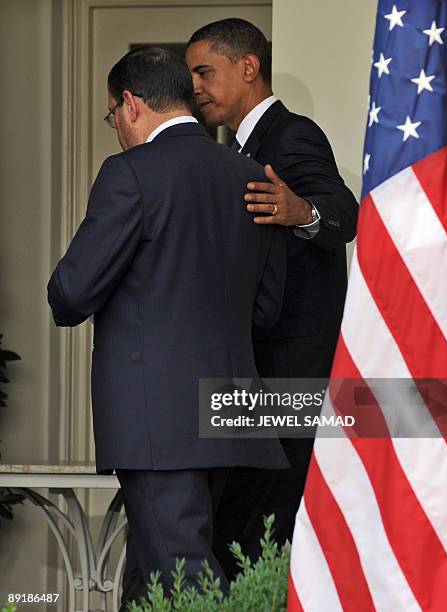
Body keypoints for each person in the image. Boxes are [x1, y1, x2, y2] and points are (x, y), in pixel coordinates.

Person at [47, 46, 289, 610]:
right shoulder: (251, 175)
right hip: (233, 411)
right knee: (153, 579)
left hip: (160, 417)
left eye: (113, 117)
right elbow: (267, 307)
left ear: (130, 104)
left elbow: (71, 292)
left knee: (185, 574)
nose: (116, 130)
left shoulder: (130, 173)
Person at [186, 18, 359, 577]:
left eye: (204, 72)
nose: (196, 87)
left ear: (249, 67)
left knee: (265, 526)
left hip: (288, 370)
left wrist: (301, 210)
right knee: (239, 524)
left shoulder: (291, 135)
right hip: (250, 370)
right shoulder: (232, 148)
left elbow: (343, 211)